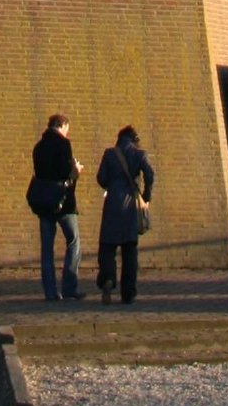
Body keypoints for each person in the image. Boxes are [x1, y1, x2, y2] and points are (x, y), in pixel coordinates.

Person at [28, 111, 85, 303]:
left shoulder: (38, 147)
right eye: (67, 129)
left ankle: (50, 292)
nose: (68, 134)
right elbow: (64, 174)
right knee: (73, 241)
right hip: (63, 202)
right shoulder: (63, 144)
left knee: (47, 249)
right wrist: (75, 172)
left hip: (44, 203)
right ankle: (69, 287)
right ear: (62, 126)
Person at [96, 124, 154, 305]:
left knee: (107, 248)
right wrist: (146, 195)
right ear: (134, 139)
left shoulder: (109, 153)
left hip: (112, 203)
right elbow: (150, 174)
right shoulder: (139, 154)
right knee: (129, 251)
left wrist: (111, 186)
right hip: (130, 206)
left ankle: (108, 279)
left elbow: (101, 178)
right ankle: (128, 293)